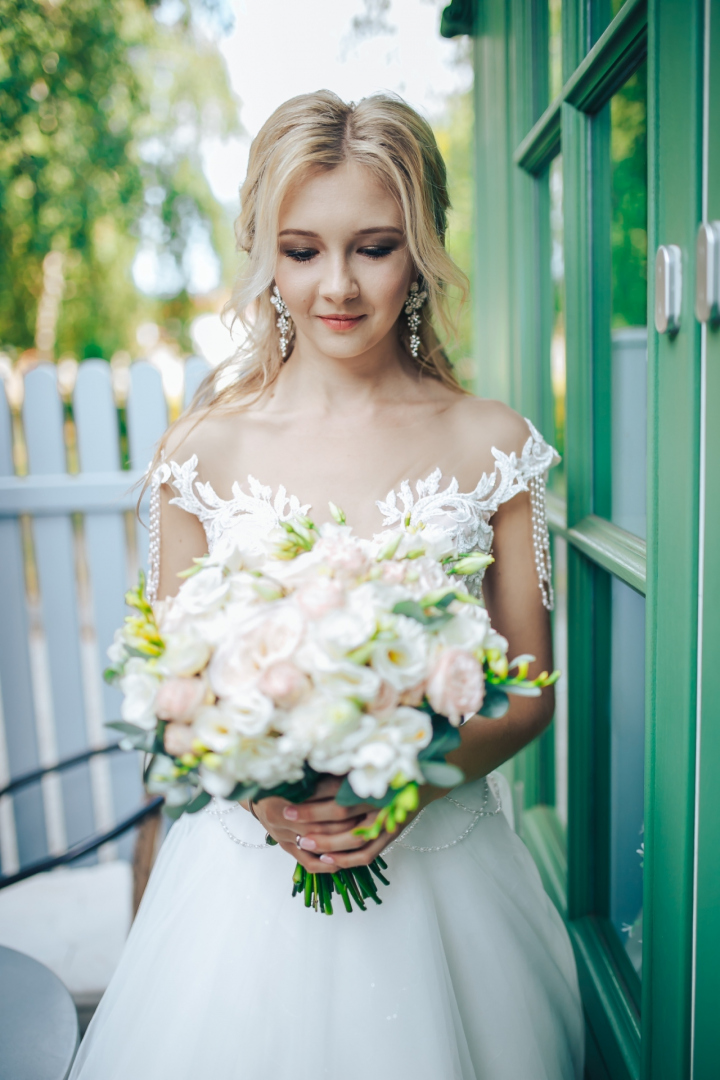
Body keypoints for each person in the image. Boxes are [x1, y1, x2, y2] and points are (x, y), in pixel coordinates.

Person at [70, 91, 583, 1079]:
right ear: (264, 254)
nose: (337, 286)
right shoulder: (202, 453)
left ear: (422, 251)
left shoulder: (495, 444)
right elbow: (176, 694)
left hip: (445, 875)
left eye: (375, 247)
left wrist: (408, 785)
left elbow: (527, 692)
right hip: (238, 905)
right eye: (303, 250)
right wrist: (268, 795)